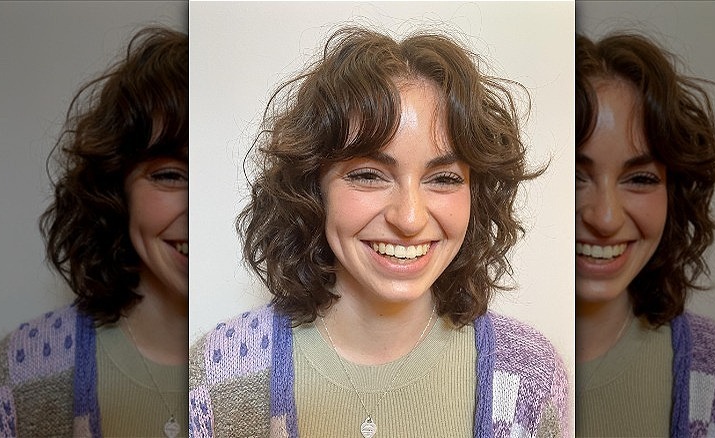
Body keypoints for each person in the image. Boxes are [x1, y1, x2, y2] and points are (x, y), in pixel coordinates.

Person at [189, 26, 568, 437]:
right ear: (313, 188)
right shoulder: (218, 375)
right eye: (369, 175)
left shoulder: (531, 379)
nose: (409, 218)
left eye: (443, 178)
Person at [0, 26, 188, 437]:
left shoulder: (277, 368)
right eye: (170, 175)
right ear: (116, 190)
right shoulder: (21, 374)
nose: (198, 208)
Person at [575, 32, 715, 437]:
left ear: (673, 194)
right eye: (575, 176)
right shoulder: (496, 371)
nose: (605, 218)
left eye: (640, 178)